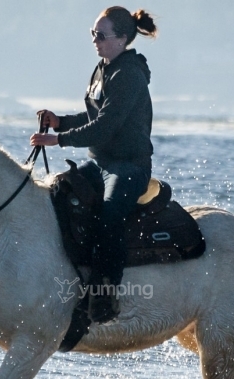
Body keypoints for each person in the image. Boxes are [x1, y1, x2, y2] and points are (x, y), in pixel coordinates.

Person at [30, 6, 158, 324]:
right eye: (93, 34)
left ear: (123, 38)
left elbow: (105, 127)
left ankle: (104, 294)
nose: (95, 41)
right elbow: (93, 116)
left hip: (128, 167)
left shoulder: (129, 74)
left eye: (101, 36)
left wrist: (58, 141)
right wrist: (59, 122)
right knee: (57, 191)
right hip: (99, 163)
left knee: (111, 213)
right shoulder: (103, 67)